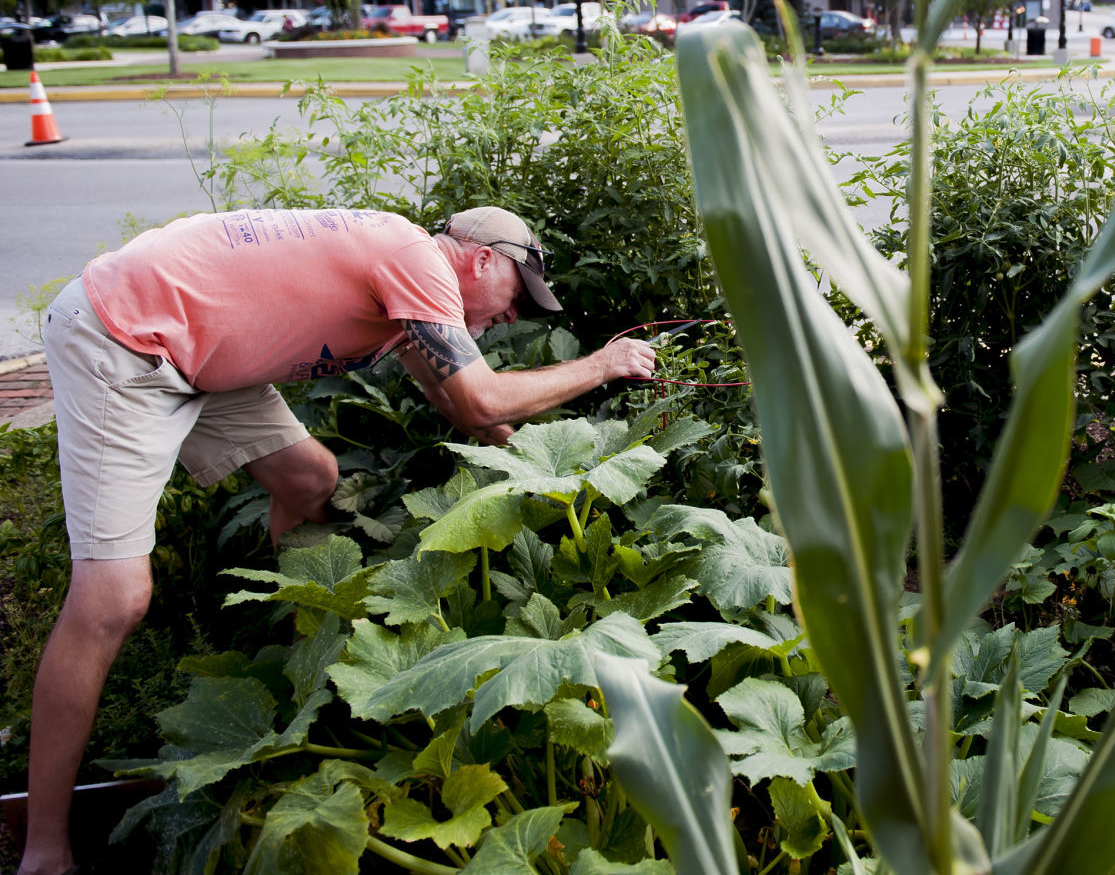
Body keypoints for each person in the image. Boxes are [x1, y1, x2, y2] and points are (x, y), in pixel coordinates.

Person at [17, 206, 655, 875]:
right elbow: (480, 402)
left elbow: (460, 406)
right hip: (125, 338)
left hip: (200, 345)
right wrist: (603, 366)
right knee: (113, 600)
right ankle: (44, 850)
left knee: (312, 479)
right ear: (481, 259)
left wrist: (542, 458)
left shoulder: (407, 278)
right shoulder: (418, 260)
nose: (512, 318)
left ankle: (296, 659)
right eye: (516, 297)